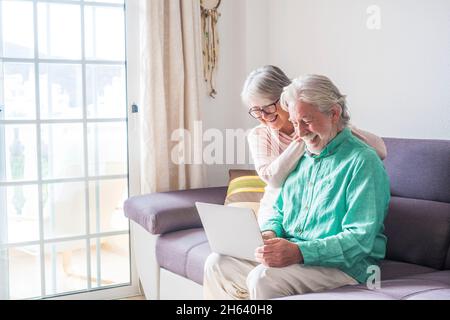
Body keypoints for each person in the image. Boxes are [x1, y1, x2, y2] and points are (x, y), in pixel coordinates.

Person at [203, 74, 390, 300]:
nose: (299, 133)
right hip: (298, 252)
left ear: (334, 113)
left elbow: (360, 239)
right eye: (293, 123)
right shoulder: (302, 156)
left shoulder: (362, 161)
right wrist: (270, 233)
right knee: (218, 263)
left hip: (345, 265)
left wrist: (300, 252)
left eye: (306, 121)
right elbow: (280, 209)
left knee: (263, 278)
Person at [242, 65, 387, 227]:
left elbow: (380, 151)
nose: (263, 116)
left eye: (267, 107)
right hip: (277, 210)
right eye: (256, 111)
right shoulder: (260, 134)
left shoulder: (322, 124)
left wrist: (339, 127)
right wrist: (305, 139)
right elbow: (272, 179)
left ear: (284, 99)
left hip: (315, 209)